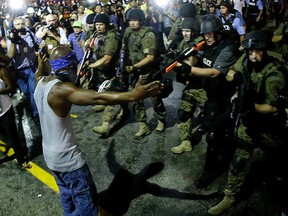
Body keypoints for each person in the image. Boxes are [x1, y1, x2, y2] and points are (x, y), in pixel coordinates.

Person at [33, 46, 163, 216]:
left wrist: (41, 64)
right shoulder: (61, 90)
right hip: (69, 161)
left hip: (50, 157)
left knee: (67, 195)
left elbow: (38, 73)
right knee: (87, 208)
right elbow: (97, 97)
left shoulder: (40, 82)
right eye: (75, 66)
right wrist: (133, 95)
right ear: (70, 66)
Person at [208, 30, 287, 215]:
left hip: (271, 128)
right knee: (238, 159)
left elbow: (273, 108)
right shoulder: (245, 59)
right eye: (250, 51)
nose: (253, 55)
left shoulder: (274, 73)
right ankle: (230, 197)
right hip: (249, 122)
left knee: (278, 166)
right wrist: (236, 79)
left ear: (265, 50)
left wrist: (250, 105)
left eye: (257, 51)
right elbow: (231, 72)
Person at [189, 15, 239, 188]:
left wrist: (187, 68)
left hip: (226, 98)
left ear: (218, 33)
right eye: (205, 34)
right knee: (213, 128)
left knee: (213, 137)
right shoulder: (206, 45)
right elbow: (196, 60)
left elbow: (214, 72)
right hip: (212, 96)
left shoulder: (227, 48)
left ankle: (208, 172)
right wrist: (192, 54)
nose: (207, 37)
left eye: (210, 34)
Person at [124, 8, 166, 139]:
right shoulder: (128, 32)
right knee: (135, 99)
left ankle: (161, 119)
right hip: (134, 72)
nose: (132, 23)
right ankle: (143, 125)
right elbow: (124, 49)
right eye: (130, 20)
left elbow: (150, 57)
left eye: (135, 20)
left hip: (148, 72)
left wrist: (133, 67)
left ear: (141, 21)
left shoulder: (148, 35)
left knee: (155, 99)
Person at [170, 17, 207, 154]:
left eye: (188, 31)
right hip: (192, 86)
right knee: (183, 113)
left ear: (194, 32)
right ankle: (186, 142)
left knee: (211, 118)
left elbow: (190, 63)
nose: (185, 33)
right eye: (183, 31)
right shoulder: (183, 44)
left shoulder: (199, 45)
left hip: (204, 87)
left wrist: (178, 61)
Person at [7, 16, 44, 120]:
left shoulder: (29, 34)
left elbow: (40, 42)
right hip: (19, 71)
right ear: (14, 26)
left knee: (33, 92)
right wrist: (13, 40)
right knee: (26, 92)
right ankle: (31, 105)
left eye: (22, 24)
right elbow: (10, 55)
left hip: (32, 68)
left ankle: (36, 113)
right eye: (17, 24)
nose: (20, 26)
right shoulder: (11, 38)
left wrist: (40, 49)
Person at [0, 65, 31, 169]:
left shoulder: (1, 71)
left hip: (5, 110)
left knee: (13, 136)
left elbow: (10, 87)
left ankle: (21, 160)